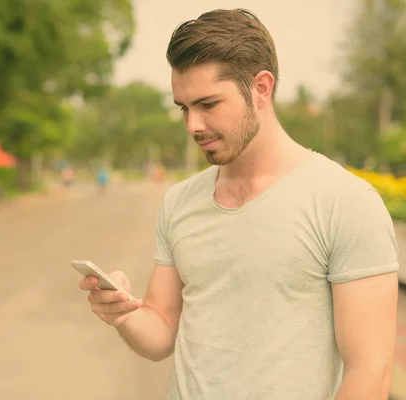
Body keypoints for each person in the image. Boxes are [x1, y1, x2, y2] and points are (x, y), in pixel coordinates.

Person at [78, 9, 399, 400]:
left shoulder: (345, 203)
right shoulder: (180, 201)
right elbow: (161, 332)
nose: (192, 124)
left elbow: (370, 372)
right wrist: (124, 314)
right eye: (183, 107)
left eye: (208, 104)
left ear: (261, 88)